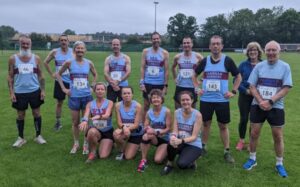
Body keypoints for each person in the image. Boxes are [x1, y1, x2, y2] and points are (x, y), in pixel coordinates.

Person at [243, 41, 292, 178]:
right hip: (258, 105)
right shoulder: (259, 66)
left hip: (276, 106)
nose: (271, 53)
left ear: (279, 51)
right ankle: (252, 159)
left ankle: (279, 163)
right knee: (254, 133)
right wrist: (261, 101)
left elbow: (286, 87)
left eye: (273, 50)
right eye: (268, 50)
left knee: (277, 135)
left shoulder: (285, 67)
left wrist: (270, 101)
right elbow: (252, 86)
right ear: (264, 51)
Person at [194, 35, 241, 163]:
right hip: (206, 99)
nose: (215, 46)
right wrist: (197, 88)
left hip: (222, 100)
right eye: (213, 44)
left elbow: (238, 77)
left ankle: (226, 151)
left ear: (222, 46)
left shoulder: (227, 60)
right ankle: (203, 147)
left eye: (218, 44)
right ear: (209, 46)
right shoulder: (205, 61)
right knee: (206, 123)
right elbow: (194, 75)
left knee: (223, 125)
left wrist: (233, 91)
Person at [56, 41, 98, 154]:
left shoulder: (89, 63)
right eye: (77, 48)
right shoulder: (69, 62)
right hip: (74, 96)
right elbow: (58, 74)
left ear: (85, 50)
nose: (80, 50)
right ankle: (76, 143)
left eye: (82, 48)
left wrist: (92, 86)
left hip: (86, 97)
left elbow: (95, 75)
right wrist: (64, 89)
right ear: (74, 50)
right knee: (75, 122)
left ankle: (85, 143)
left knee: (86, 121)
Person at [7, 34, 46, 147]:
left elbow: (41, 76)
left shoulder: (36, 58)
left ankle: (38, 136)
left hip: (34, 91)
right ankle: (21, 138)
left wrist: (42, 90)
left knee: (37, 113)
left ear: (30, 45)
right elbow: (10, 77)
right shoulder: (13, 59)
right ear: (19, 44)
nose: (25, 45)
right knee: (20, 115)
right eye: (23, 43)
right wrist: (12, 92)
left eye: (27, 44)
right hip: (19, 92)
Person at [160, 91, 202, 176]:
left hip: (193, 144)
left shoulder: (197, 115)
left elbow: (194, 137)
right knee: (171, 142)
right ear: (180, 101)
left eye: (187, 99)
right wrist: (173, 136)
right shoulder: (177, 112)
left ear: (192, 100)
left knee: (181, 165)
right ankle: (169, 164)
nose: (185, 102)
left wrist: (181, 141)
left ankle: (192, 160)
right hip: (180, 141)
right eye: (183, 100)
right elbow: (175, 130)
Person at [235, 42, 263, 151]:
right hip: (245, 96)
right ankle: (241, 140)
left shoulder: (263, 64)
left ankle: (252, 141)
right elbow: (236, 80)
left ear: (258, 51)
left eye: (255, 50)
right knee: (244, 119)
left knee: (254, 120)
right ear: (248, 52)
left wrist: (258, 93)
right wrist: (246, 91)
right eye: (250, 50)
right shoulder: (243, 65)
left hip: (258, 97)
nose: (252, 52)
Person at [44, 34, 73, 131]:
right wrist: (52, 73)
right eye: (62, 40)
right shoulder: (55, 52)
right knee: (59, 103)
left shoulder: (73, 52)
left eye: (65, 40)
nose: (64, 42)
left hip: (72, 81)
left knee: (74, 102)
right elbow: (45, 62)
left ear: (68, 42)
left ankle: (76, 122)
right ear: (59, 42)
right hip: (59, 81)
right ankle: (58, 122)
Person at [137, 89, 171, 172]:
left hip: (164, 139)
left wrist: (156, 132)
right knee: (146, 136)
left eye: (158, 97)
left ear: (162, 99)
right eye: (153, 98)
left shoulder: (167, 111)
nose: (156, 99)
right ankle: (143, 160)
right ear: (151, 100)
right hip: (154, 138)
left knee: (158, 160)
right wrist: (148, 129)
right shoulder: (149, 112)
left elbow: (168, 128)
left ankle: (166, 152)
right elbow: (145, 125)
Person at [79, 82, 114, 163]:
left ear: (105, 91)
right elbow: (86, 114)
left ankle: (110, 144)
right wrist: (84, 121)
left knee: (103, 156)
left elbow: (107, 115)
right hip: (96, 130)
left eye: (102, 89)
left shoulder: (110, 102)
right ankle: (93, 152)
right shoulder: (90, 104)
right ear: (94, 91)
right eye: (98, 89)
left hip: (107, 131)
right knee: (91, 132)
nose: (100, 91)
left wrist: (99, 116)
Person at [140, 32, 169, 122]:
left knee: (158, 105)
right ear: (151, 40)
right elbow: (142, 67)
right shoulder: (145, 51)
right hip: (148, 83)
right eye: (154, 39)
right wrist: (142, 82)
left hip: (159, 83)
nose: (156, 40)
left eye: (157, 38)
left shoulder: (164, 53)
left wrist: (165, 86)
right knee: (146, 105)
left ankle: (158, 123)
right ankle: (144, 126)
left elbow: (166, 70)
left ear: (160, 39)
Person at [113, 86, 144, 160]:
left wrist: (126, 129)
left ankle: (138, 144)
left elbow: (136, 125)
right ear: (121, 95)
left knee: (128, 157)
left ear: (132, 94)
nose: (127, 95)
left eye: (129, 93)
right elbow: (119, 123)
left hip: (136, 132)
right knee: (116, 134)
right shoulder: (117, 105)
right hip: (125, 130)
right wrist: (124, 128)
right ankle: (121, 151)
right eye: (124, 93)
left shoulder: (138, 106)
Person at [172, 36, 203, 109]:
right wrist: (175, 78)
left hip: (192, 86)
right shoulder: (178, 57)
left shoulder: (198, 56)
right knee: (178, 109)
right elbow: (173, 67)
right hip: (180, 85)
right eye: (184, 43)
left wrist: (201, 80)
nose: (186, 45)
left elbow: (206, 67)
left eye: (188, 43)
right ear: (182, 45)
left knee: (192, 110)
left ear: (192, 44)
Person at [104, 38, 131, 103]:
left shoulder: (126, 58)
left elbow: (128, 72)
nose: (115, 46)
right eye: (114, 45)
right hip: (111, 86)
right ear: (111, 46)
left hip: (123, 85)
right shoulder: (108, 59)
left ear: (120, 46)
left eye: (117, 44)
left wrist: (118, 81)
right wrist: (113, 84)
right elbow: (105, 73)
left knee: (123, 107)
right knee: (110, 106)